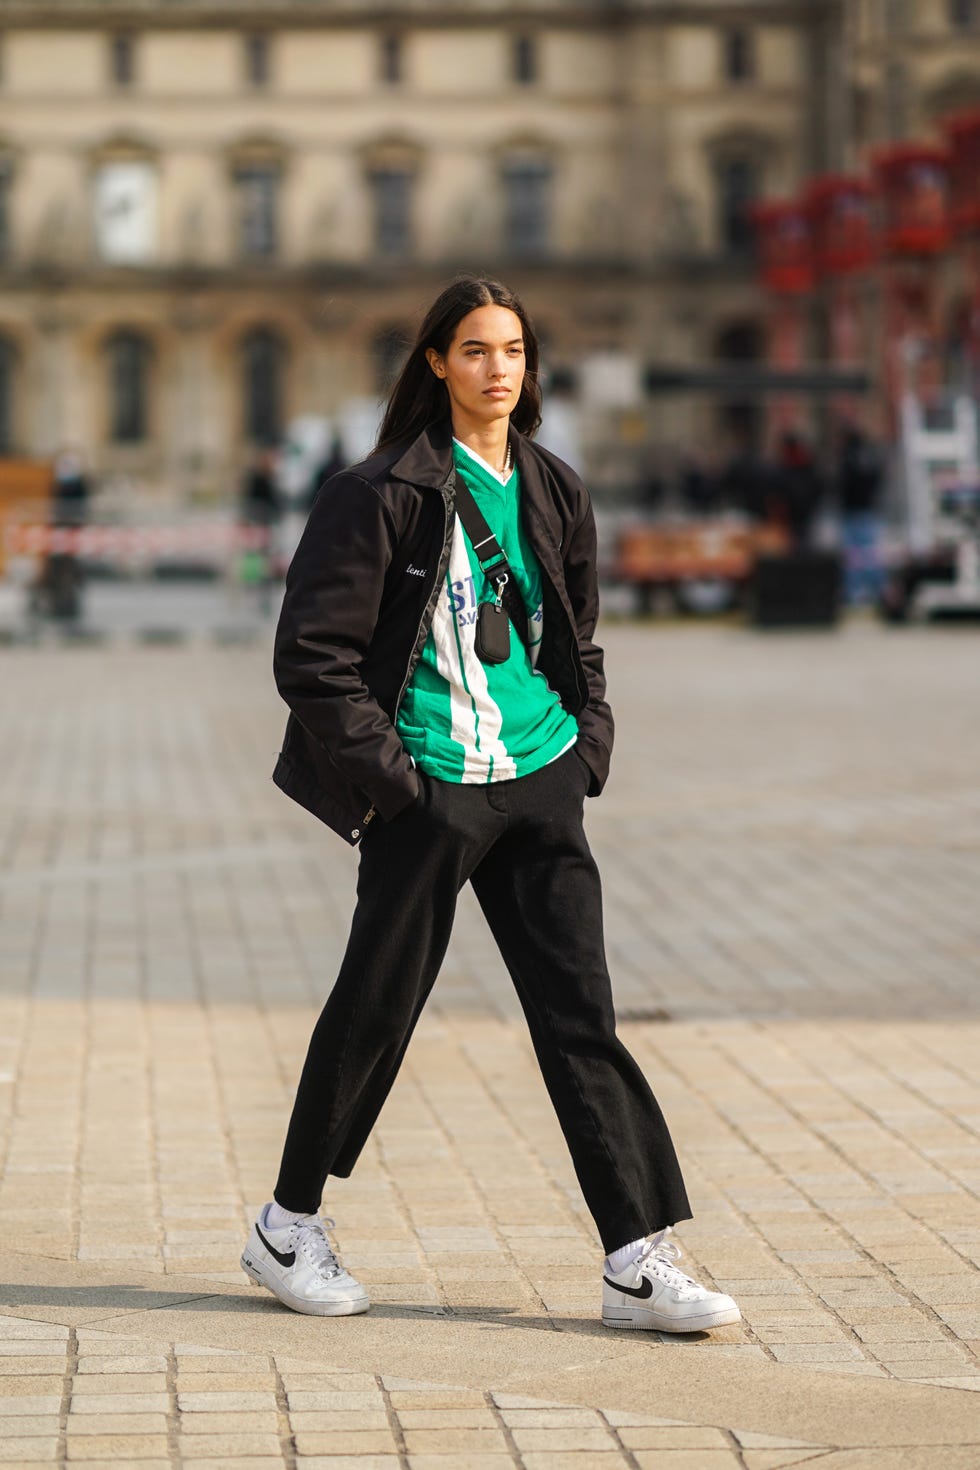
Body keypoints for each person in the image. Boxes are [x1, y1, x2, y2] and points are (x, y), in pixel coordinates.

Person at [241, 275, 740, 1335]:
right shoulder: (377, 492)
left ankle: (634, 1258)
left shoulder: (554, 487)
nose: (497, 368)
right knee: (376, 1008)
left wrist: (584, 746)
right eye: (473, 350)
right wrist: (396, 784)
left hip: (540, 781)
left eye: (512, 349)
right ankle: (288, 1226)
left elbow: (579, 637)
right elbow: (312, 658)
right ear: (434, 363)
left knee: (581, 1022)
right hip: (431, 789)